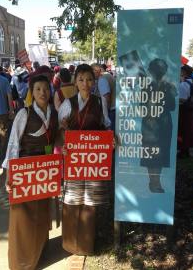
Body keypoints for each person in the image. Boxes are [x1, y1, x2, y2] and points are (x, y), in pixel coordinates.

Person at [3, 75, 59, 270]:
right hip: (24, 173)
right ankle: (21, 263)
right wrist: (10, 175)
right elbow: (13, 145)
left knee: (42, 214)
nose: (42, 92)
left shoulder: (55, 113)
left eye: (46, 88)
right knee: (23, 219)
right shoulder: (23, 114)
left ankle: (39, 254)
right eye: (38, 89)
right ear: (31, 93)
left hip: (45, 172)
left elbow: (58, 142)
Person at [58, 64, 110, 256]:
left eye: (89, 79)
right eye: (81, 79)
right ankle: (71, 243)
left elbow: (106, 125)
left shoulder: (100, 102)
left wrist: (109, 138)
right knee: (73, 199)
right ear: (75, 81)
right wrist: (64, 138)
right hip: (74, 160)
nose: (85, 83)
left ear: (94, 81)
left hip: (94, 160)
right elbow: (60, 130)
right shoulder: (67, 103)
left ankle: (87, 244)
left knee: (90, 202)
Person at [141, 58, 177, 193]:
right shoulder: (150, 86)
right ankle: (154, 182)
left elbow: (172, 106)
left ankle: (156, 181)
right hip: (153, 124)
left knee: (160, 153)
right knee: (152, 153)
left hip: (161, 124)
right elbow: (142, 105)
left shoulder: (167, 86)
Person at [91, 63, 115, 130]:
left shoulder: (102, 79)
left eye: (92, 72)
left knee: (111, 136)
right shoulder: (107, 75)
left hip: (111, 111)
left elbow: (106, 98)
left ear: (97, 71)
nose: (91, 75)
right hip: (113, 109)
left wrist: (105, 116)